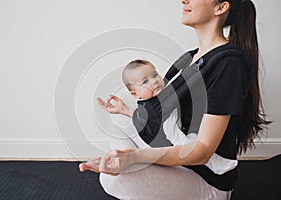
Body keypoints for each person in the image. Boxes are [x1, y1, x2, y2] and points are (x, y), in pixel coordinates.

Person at [80, 0, 271, 199]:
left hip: (204, 176)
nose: (184, 0)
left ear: (221, 7)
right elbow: (164, 110)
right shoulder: (190, 58)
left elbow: (203, 151)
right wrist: (126, 112)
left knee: (113, 179)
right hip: (177, 154)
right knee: (118, 118)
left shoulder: (228, 64)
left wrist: (134, 157)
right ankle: (134, 168)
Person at [99, 58, 238, 175]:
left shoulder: (159, 97)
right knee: (187, 141)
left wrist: (123, 109)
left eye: (154, 75)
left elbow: (140, 115)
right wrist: (123, 110)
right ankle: (217, 163)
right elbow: (142, 117)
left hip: (162, 137)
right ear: (136, 94)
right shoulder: (151, 106)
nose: (154, 81)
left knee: (193, 140)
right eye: (145, 82)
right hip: (167, 137)